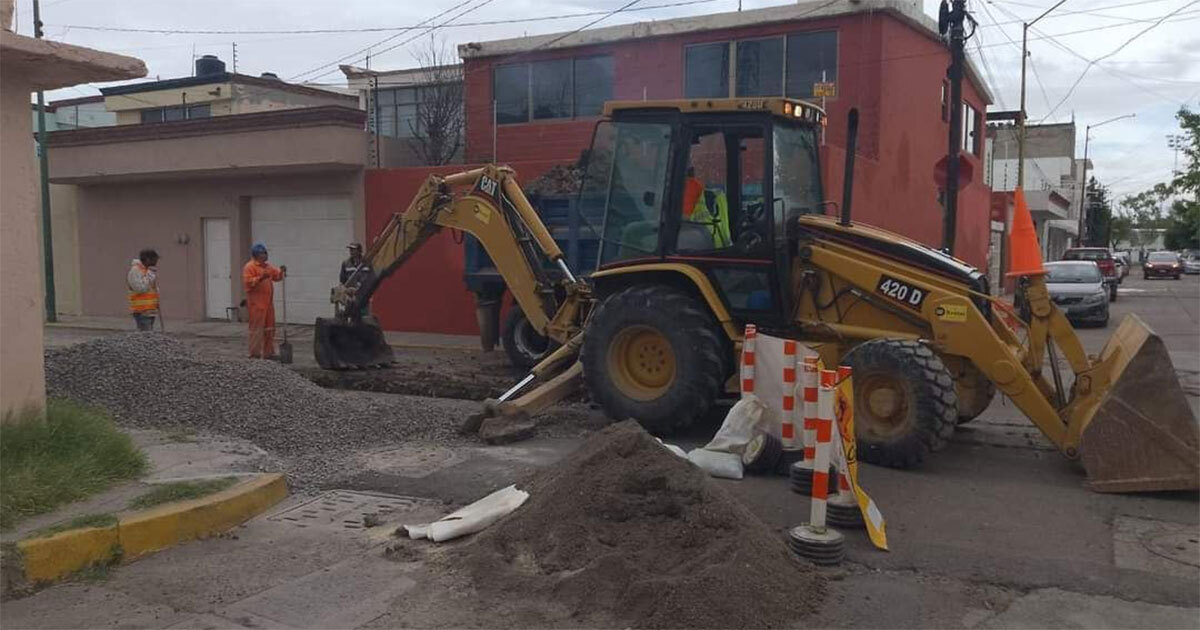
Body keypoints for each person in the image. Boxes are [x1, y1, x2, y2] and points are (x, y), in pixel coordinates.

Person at [242, 242, 285, 359]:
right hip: (256, 304)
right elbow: (248, 282)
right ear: (256, 255)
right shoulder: (250, 267)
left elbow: (277, 277)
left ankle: (268, 352)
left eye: (266, 253)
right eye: (263, 253)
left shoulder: (267, 266)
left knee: (269, 329)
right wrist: (261, 278)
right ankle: (254, 353)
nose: (265, 255)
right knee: (256, 330)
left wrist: (281, 272)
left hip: (268, 304)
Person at [339, 242, 376, 317]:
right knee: (351, 316)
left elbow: (372, 278)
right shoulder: (345, 263)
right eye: (350, 249)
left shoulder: (367, 263)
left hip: (364, 295)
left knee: (364, 317)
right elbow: (342, 280)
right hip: (350, 296)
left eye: (353, 249)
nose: (351, 251)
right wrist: (344, 290)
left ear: (359, 251)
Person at [127, 248, 159, 331]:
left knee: (149, 335)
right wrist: (150, 277)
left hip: (150, 311)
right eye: (155, 259)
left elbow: (151, 290)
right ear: (148, 259)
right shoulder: (135, 271)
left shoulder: (147, 271)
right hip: (142, 311)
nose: (156, 262)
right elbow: (140, 288)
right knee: (146, 336)